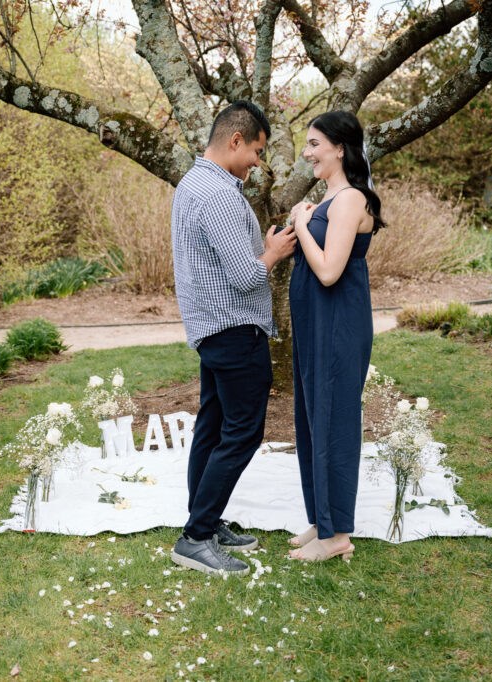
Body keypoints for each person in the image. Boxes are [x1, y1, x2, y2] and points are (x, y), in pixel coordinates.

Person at [169, 100, 297, 576]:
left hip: (210, 327)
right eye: (258, 152)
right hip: (234, 328)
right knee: (242, 433)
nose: (258, 164)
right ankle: (197, 537)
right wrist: (275, 251)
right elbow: (246, 277)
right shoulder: (221, 194)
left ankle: (205, 519)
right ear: (235, 140)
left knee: (212, 426)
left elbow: (216, 260)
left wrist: (257, 248)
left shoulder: (192, 183)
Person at [286, 110, 385, 563]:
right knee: (311, 416)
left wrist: (303, 225)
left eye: (313, 144)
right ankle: (321, 519)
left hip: (338, 321)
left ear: (339, 148)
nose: (306, 153)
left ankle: (337, 534)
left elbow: (329, 271)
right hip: (315, 322)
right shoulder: (329, 198)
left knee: (334, 420)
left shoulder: (349, 200)